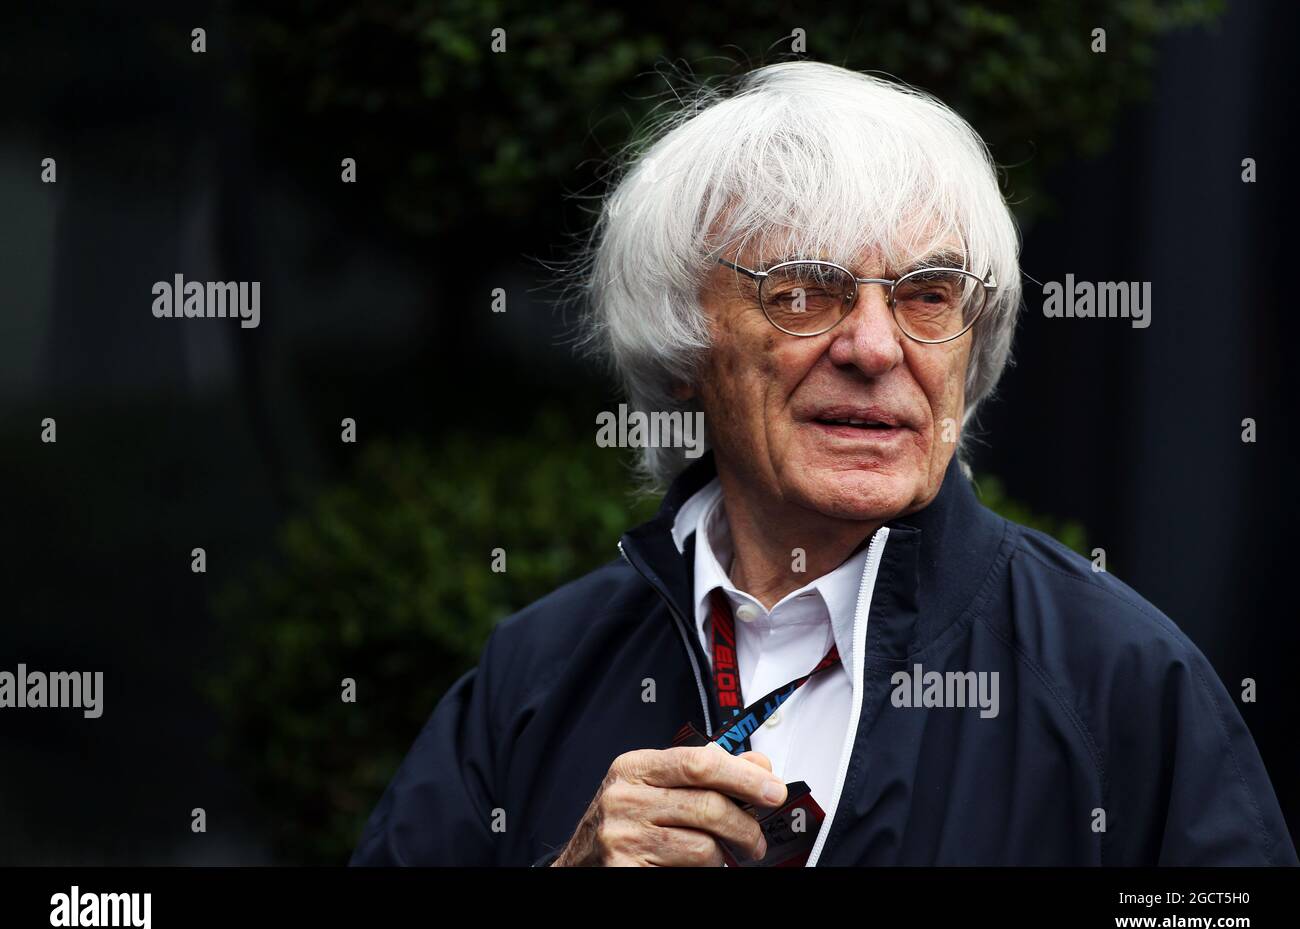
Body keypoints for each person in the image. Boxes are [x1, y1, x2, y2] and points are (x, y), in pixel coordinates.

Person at [351, 61, 1296, 866]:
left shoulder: (1117, 678)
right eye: (804, 292)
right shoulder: (539, 671)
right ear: (685, 349)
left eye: (927, 296)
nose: (877, 348)